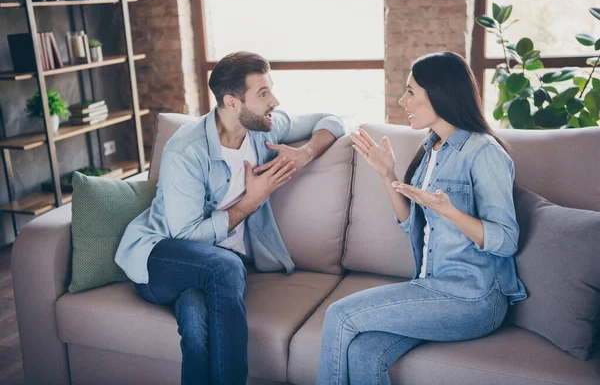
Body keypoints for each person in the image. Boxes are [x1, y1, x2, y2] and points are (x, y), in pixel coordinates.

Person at [115, 51, 345, 385]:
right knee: (225, 266)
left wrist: (305, 154)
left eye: (271, 90)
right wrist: (251, 202)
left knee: (197, 322)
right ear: (232, 102)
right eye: (263, 94)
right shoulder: (188, 151)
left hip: (215, 272)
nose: (275, 102)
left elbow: (331, 120)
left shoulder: (262, 129)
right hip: (161, 256)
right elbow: (186, 238)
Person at [317, 51, 527, 385]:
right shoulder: (431, 149)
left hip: (474, 297)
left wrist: (450, 212)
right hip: (431, 286)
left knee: (340, 314)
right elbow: (411, 224)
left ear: (440, 94)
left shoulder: (483, 152)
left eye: (411, 91)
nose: (403, 101)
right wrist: (387, 174)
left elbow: (506, 240)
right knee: (363, 353)